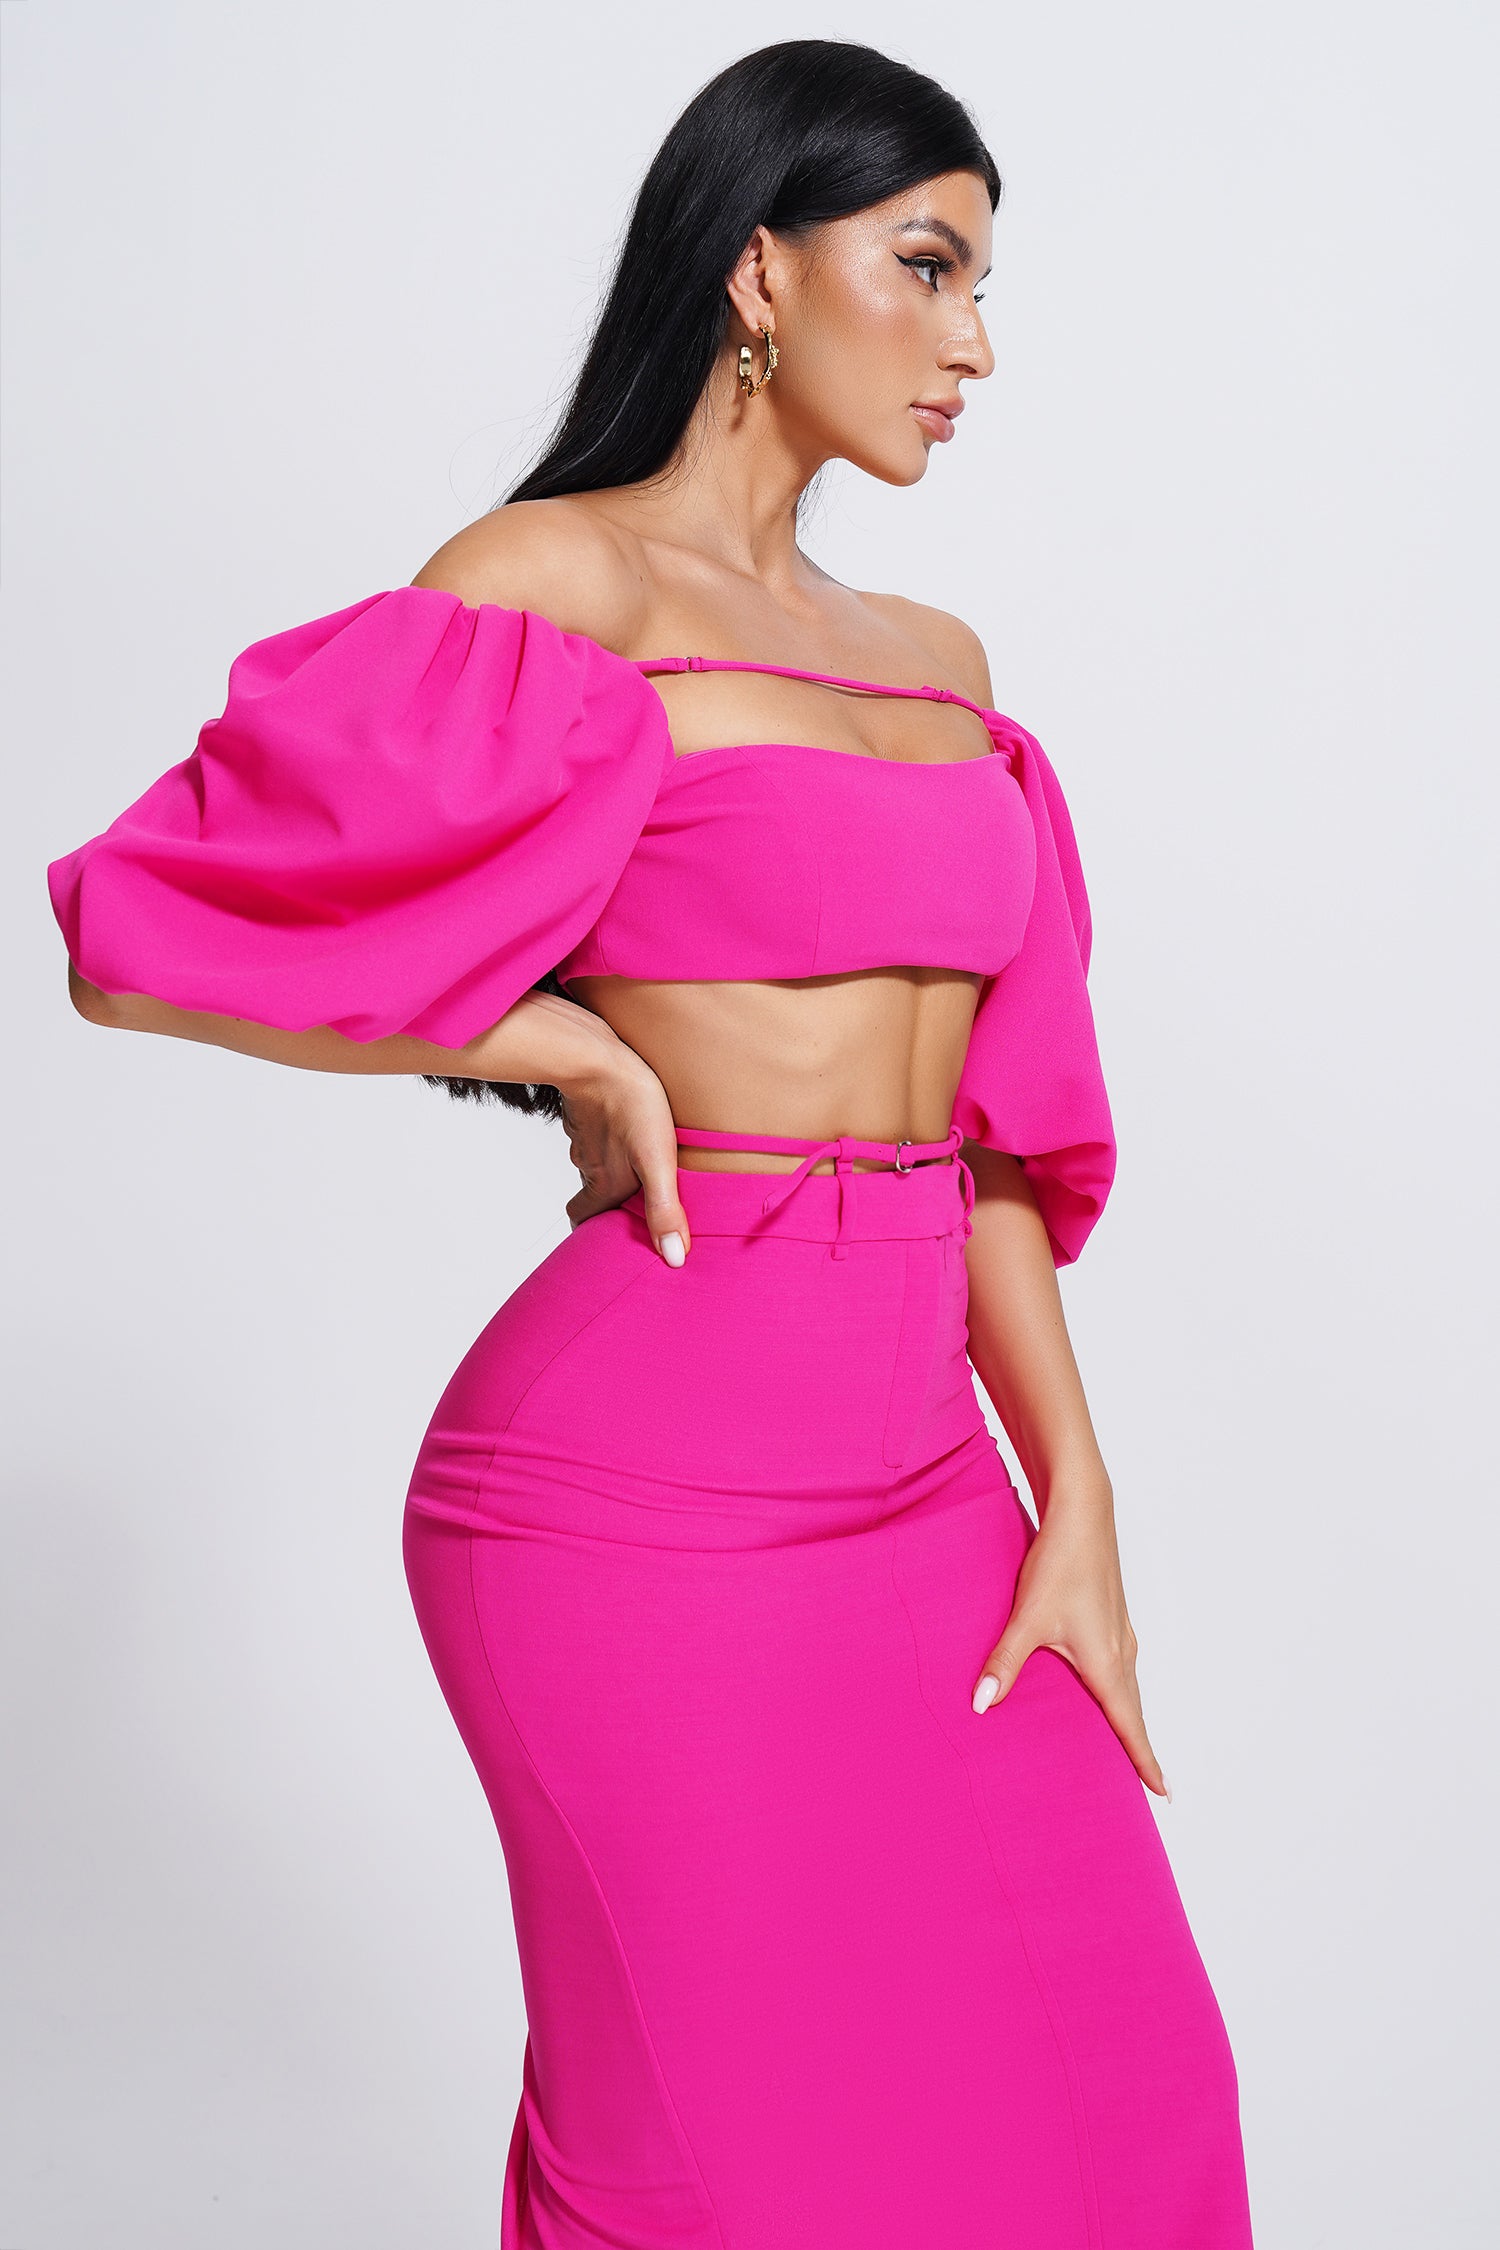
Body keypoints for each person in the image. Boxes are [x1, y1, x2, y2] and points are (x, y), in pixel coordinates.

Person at [46, 37, 1254, 2250]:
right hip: (629, 1494)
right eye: (929, 266)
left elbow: (992, 1134)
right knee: (728, 2161)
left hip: (931, 1482)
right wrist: (564, 1052)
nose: (975, 345)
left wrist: (1073, 1492)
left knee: (1125, 2099)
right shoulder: (564, 580)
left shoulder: (943, 661)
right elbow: (139, 945)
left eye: (986, 287)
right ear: (761, 270)